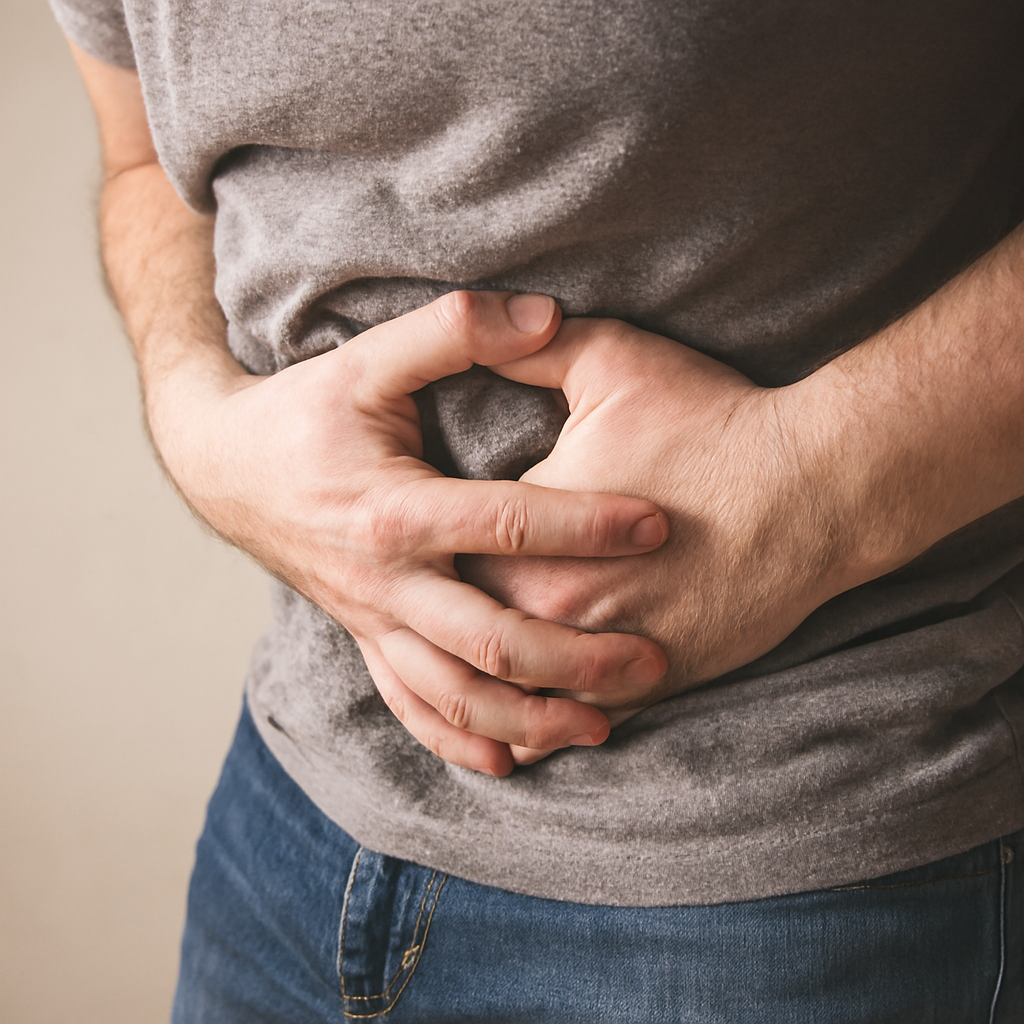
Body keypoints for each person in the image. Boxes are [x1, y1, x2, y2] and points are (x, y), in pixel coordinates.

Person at [51, 0, 1024, 1020]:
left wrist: (810, 494)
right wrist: (196, 416)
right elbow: (140, 166)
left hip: (798, 872)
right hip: (291, 825)